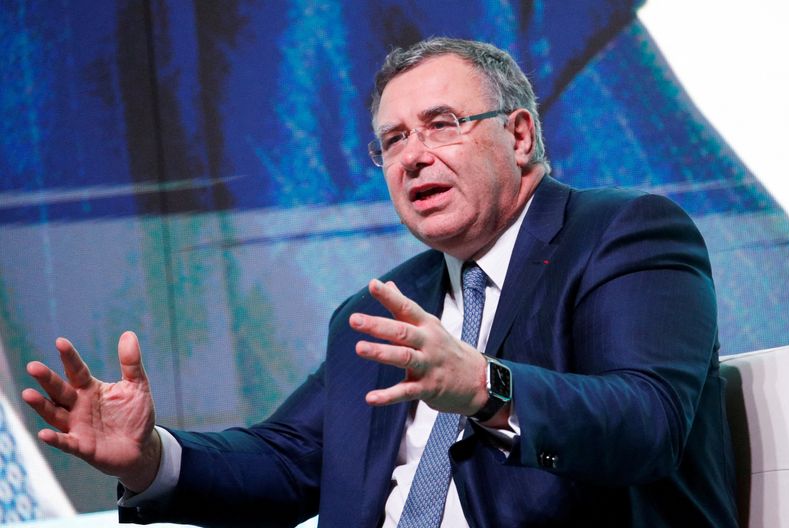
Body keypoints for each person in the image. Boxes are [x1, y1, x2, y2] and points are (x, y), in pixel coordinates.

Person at [22, 38, 738, 527]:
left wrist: (489, 386)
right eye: (393, 141)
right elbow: (289, 461)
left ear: (520, 136)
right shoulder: (378, 310)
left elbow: (649, 423)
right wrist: (151, 456)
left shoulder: (624, 235)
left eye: (442, 124)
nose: (414, 157)